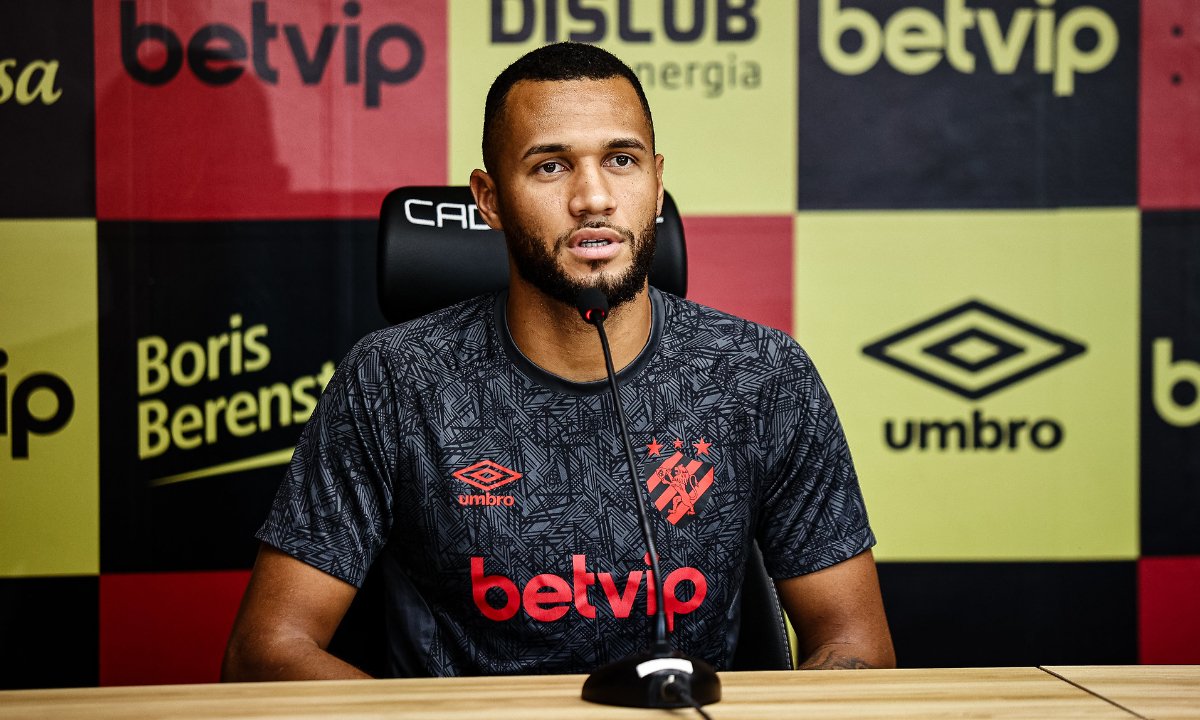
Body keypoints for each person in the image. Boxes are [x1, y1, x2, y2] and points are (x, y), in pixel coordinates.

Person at [222, 42, 894, 681]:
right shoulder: (394, 380)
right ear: (489, 200)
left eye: (622, 160)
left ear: (658, 181)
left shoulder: (762, 373)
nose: (593, 197)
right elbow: (265, 653)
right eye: (551, 166)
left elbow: (855, 645)